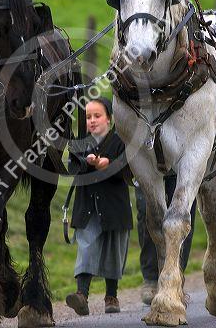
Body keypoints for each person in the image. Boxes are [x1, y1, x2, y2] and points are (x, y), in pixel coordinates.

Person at [65, 97, 133, 316]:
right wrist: (88, 162)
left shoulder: (120, 140)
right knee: (86, 246)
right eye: (88, 117)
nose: (92, 121)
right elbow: (72, 168)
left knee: (114, 249)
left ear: (109, 118)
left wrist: (108, 165)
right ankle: (81, 295)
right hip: (87, 206)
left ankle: (111, 296)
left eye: (97, 116)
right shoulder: (80, 142)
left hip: (115, 206)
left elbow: (128, 170)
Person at [135, 175, 196, 305]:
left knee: (182, 215)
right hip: (147, 158)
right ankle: (150, 277)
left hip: (181, 164)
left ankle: (176, 275)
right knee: (146, 210)